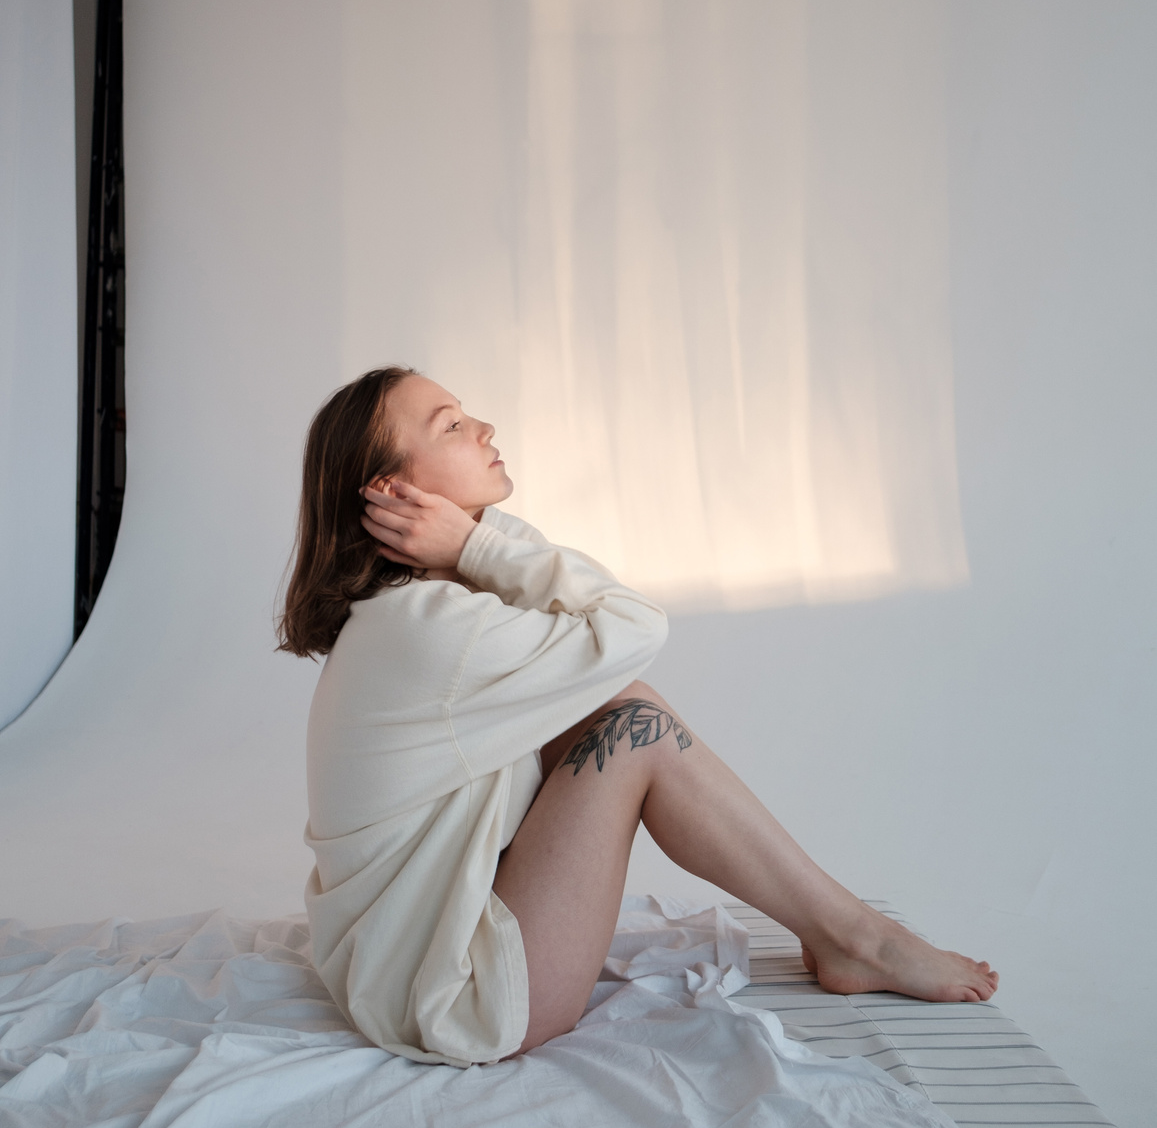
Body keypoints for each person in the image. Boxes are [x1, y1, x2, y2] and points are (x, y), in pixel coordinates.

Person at [278, 364, 997, 1068]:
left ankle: (847, 933)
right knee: (632, 724)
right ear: (391, 490)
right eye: (454, 425)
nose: (485, 426)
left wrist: (471, 539)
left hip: (397, 971)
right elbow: (633, 626)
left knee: (617, 709)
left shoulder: (422, 608)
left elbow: (572, 603)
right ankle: (856, 937)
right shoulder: (433, 630)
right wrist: (472, 541)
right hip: (455, 1001)